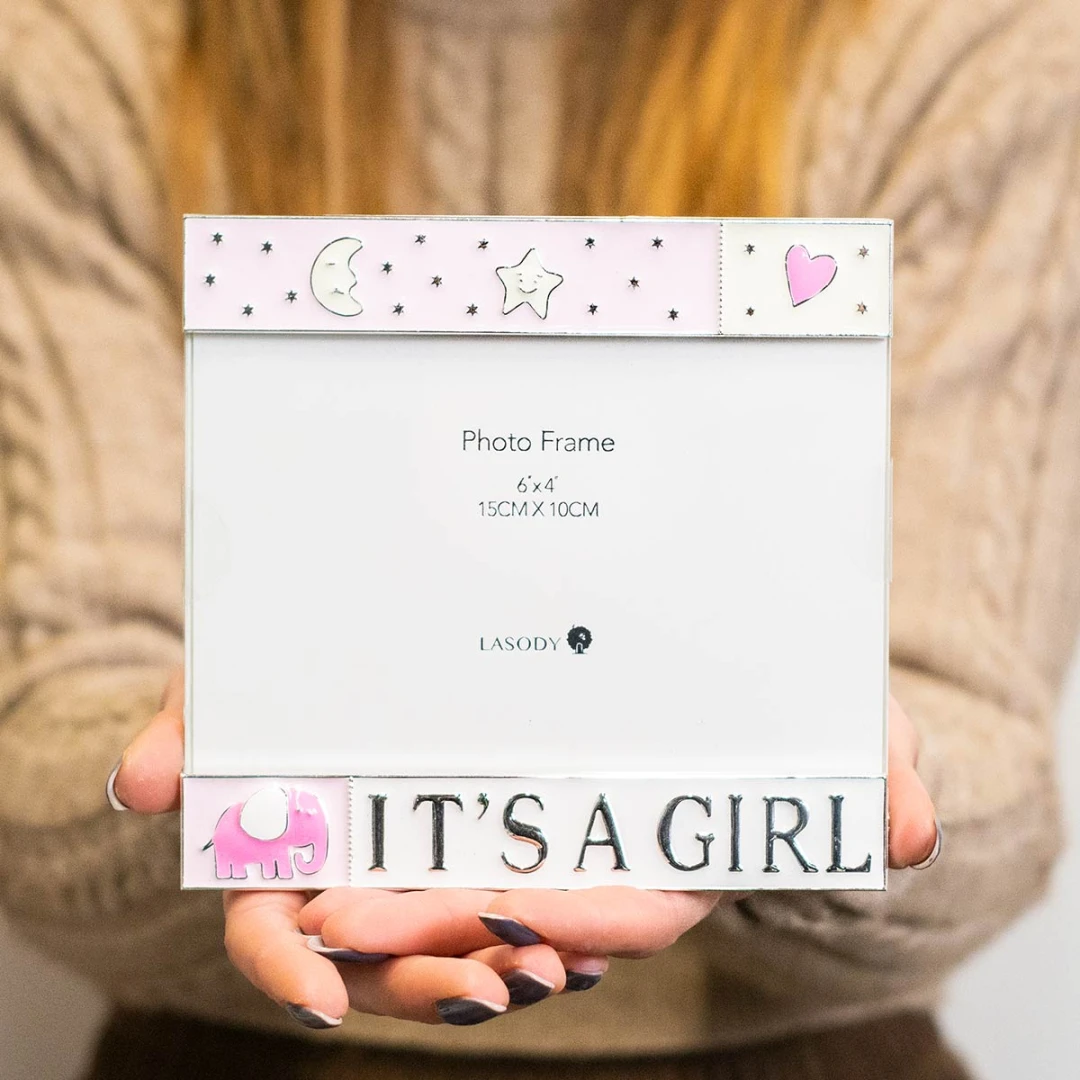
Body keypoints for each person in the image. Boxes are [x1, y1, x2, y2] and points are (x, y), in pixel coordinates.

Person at [0, 0, 1077, 1077]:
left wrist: (812, 789)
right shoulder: (89, 55)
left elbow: (988, 766)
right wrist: (233, 783)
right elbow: (40, 753)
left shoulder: (957, 51)